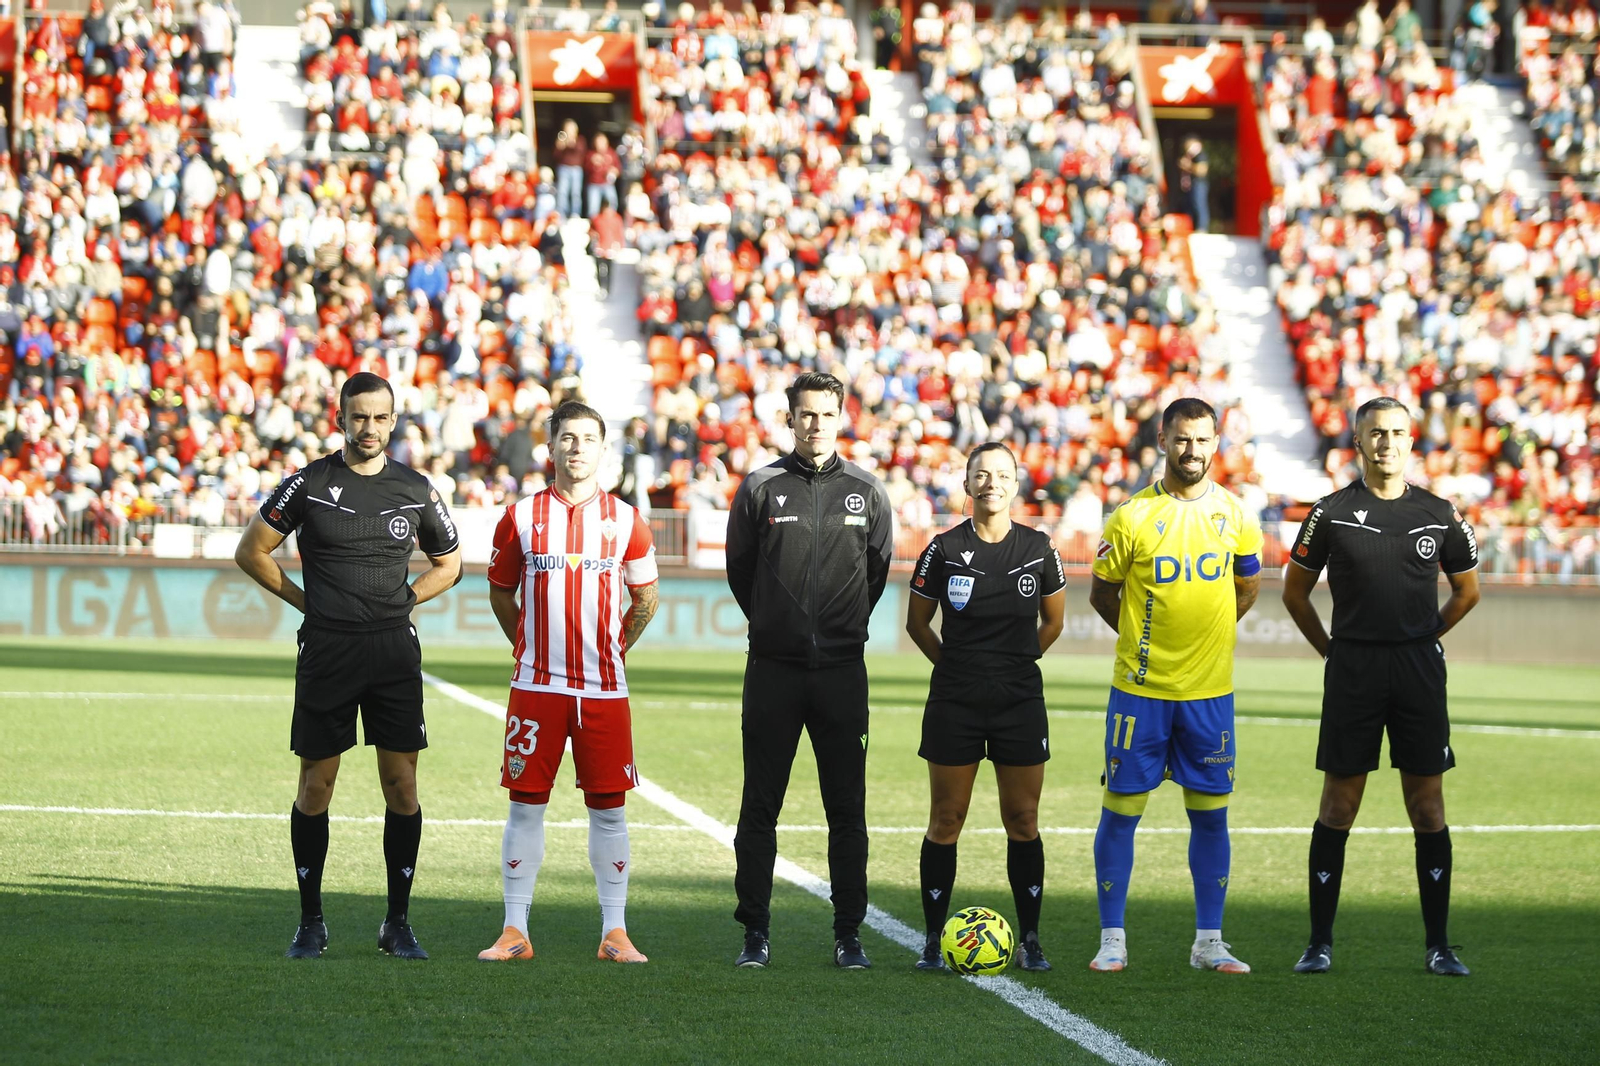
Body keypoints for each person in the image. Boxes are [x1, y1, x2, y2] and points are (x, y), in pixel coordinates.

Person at [235, 371, 463, 960]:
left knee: (402, 786)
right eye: (358, 416)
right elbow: (251, 551)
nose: (369, 427)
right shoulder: (308, 484)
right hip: (328, 650)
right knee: (316, 787)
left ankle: (397, 923)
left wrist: (406, 601)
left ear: (394, 420)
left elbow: (450, 562)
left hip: (391, 652)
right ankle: (311, 922)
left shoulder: (414, 487)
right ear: (340, 419)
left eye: (380, 417)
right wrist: (304, 602)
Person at [1281, 397, 1481, 977]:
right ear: (1359, 441)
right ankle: (1319, 943)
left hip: (1418, 672)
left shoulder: (1439, 512)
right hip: (1354, 671)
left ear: (1411, 442)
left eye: (1397, 433)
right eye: (1376, 434)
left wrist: (1424, 635)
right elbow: (1295, 593)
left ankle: (1439, 946)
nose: (1387, 443)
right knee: (1339, 805)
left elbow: (1467, 592)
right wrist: (1332, 651)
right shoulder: (1330, 512)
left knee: (1427, 807)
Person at [476, 400, 661, 964]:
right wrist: (526, 644)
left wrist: (615, 648)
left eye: (588, 438)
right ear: (550, 446)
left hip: (604, 690)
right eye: (567, 438)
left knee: (609, 809)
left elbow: (645, 597)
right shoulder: (521, 516)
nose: (577, 447)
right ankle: (514, 931)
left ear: (603, 449)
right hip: (536, 686)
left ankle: (615, 932)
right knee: (525, 806)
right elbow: (501, 591)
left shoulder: (628, 520)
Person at [1086, 397, 1263, 974]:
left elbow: (1247, 588)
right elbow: (1103, 596)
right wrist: (1145, 641)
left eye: (1203, 440)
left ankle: (1208, 941)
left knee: (1211, 814)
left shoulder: (1237, 515)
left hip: (1210, 694)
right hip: (1140, 693)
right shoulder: (1131, 516)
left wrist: (1207, 641)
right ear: (1162, 440)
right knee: (1121, 811)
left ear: (1217, 444)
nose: (1193, 450)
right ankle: (1113, 938)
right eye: (1182, 439)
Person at [725, 371, 893, 970]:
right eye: (805, 414)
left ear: (840, 418)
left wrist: (837, 633)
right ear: (789, 419)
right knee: (759, 807)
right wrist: (778, 627)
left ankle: (848, 933)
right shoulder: (760, 488)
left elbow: (874, 577)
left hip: (842, 674)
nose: (815, 424)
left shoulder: (868, 492)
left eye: (826, 414)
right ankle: (755, 933)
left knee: (847, 809)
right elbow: (741, 574)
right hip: (773, 671)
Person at [905, 443, 1067, 972]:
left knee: (1022, 819)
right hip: (956, 700)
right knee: (946, 819)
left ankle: (1031, 939)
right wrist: (955, 668)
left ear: (1015, 484)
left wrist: (1013, 663)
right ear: (968, 484)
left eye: (1001, 474)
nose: (991, 482)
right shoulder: (943, 548)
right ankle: (932, 938)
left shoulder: (1040, 548)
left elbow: (1053, 623)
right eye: (981, 474)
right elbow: (918, 624)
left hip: (1020, 699)